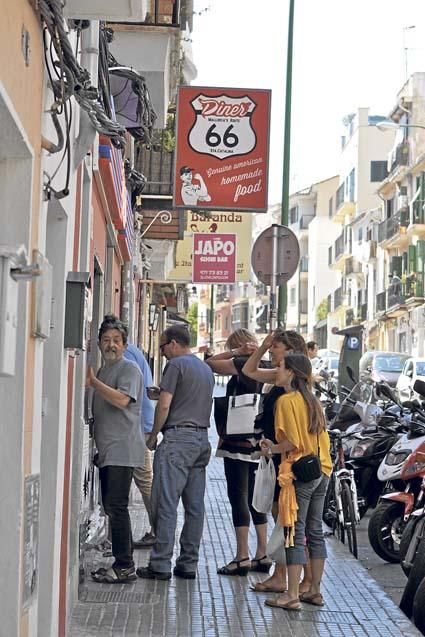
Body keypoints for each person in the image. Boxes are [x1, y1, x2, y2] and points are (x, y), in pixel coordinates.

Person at [137, 325, 214, 580]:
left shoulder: (175, 366)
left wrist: (152, 435)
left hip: (177, 439)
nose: (163, 352)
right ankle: (188, 564)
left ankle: (160, 564)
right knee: (195, 506)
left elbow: (165, 405)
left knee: (166, 502)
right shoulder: (205, 369)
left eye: (162, 347)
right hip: (201, 439)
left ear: (172, 343)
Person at [259, 354, 332, 610]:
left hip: (299, 472)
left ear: (291, 372)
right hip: (322, 470)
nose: (275, 371)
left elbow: (292, 443)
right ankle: (314, 590)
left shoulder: (286, 401)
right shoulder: (313, 400)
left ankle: (290, 594)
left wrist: (270, 448)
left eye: (279, 367)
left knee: (293, 532)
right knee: (314, 532)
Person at [242, 330, 312, 594]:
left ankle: (292, 578)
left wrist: (274, 448)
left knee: (288, 519)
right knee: (279, 515)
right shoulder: (280, 377)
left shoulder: (295, 384)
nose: (272, 354)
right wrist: (262, 346)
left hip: (286, 458)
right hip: (276, 457)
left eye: (276, 349)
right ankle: (286, 575)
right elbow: (249, 370)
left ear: (291, 352)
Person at [206, 329, 269, 576]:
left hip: (238, 441)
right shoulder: (266, 364)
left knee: (238, 496)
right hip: (260, 441)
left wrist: (236, 352)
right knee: (257, 499)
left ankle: (242, 555)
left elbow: (211, 364)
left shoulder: (243, 363)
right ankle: (262, 554)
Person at [88, 315, 145, 584]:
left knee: (117, 507)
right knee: (111, 507)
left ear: (124, 345)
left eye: (116, 341)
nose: (111, 345)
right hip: (109, 451)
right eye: (106, 340)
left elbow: (123, 400)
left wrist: (94, 384)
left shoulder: (128, 369)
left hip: (123, 449)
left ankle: (125, 565)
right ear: (99, 343)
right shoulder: (104, 369)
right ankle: (121, 561)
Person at [124, 343, 156, 548]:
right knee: (143, 479)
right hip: (140, 423)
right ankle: (159, 530)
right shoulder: (132, 350)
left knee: (144, 479)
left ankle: (159, 531)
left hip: (136, 426)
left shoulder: (126, 354)